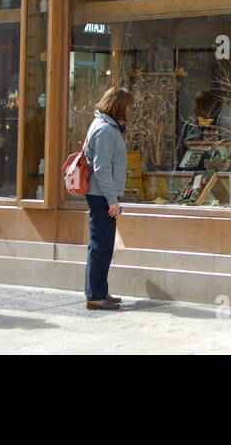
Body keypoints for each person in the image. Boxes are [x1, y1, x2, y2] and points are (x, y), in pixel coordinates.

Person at [83, 85, 132, 309]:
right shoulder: (105, 130)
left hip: (102, 194)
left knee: (102, 246)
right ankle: (95, 296)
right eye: (128, 106)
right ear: (119, 106)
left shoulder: (105, 125)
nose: (129, 111)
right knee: (101, 246)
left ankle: (100, 292)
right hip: (101, 195)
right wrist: (112, 200)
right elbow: (102, 168)